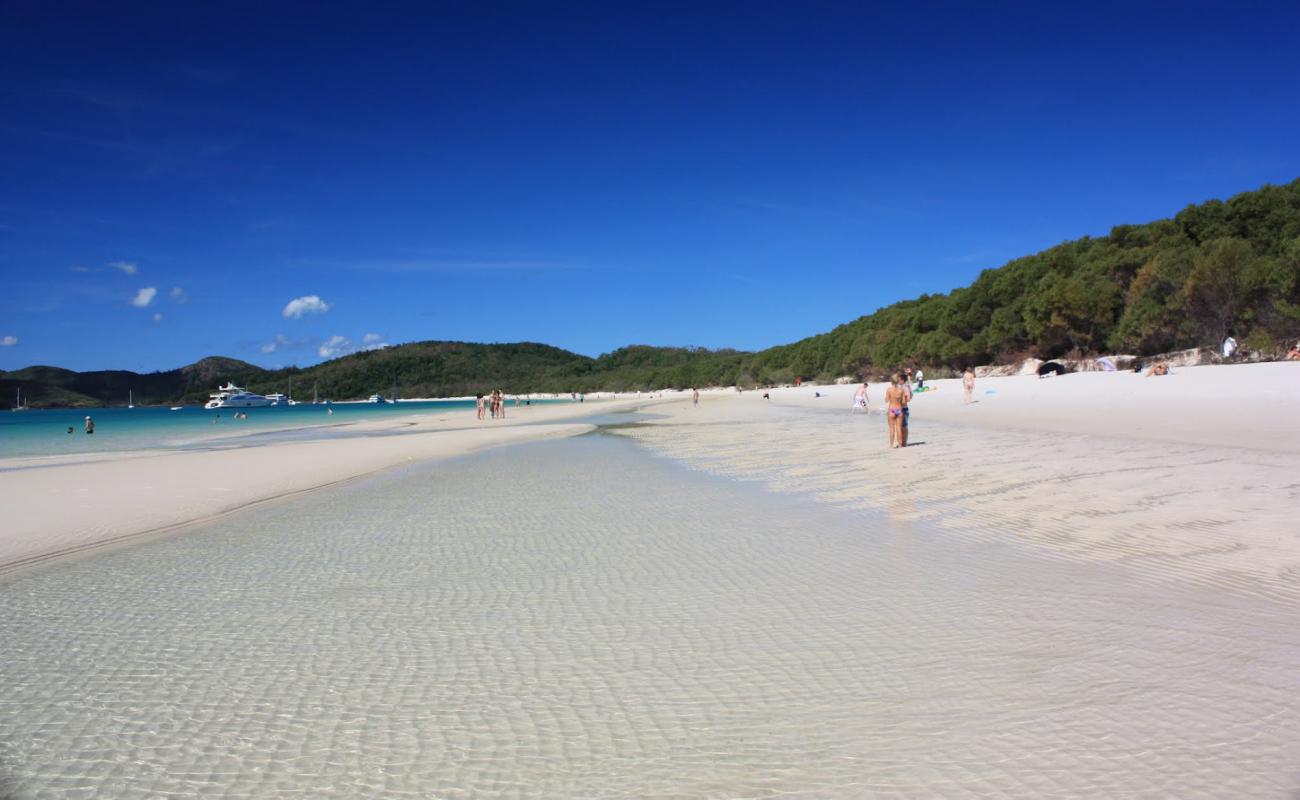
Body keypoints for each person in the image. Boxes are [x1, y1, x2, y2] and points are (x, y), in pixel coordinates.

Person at [884, 375, 904, 449]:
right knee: (899, 428)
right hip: (899, 410)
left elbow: (886, 400)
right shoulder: (901, 390)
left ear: (891, 381)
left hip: (892, 410)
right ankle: (900, 445)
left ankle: (891, 445)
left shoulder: (889, 389)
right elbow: (903, 401)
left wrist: (889, 398)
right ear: (898, 381)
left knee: (892, 429)